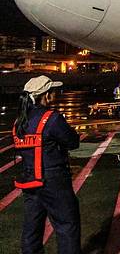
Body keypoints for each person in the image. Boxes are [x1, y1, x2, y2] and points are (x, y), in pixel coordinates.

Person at [14, 76, 81, 254]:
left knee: (32, 228)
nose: (54, 95)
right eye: (52, 92)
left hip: (29, 179)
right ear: (46, 95)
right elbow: (72, 142)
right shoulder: (51, 118)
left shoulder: (19, 121)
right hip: (53, 179)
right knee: (67, 225)